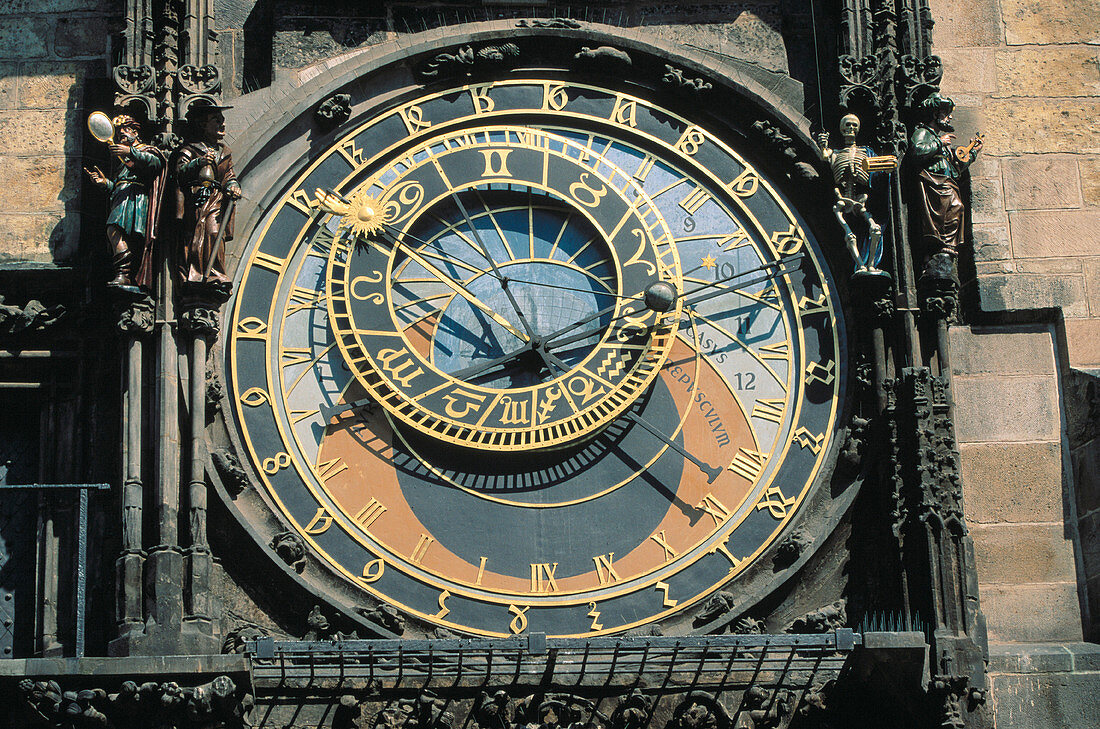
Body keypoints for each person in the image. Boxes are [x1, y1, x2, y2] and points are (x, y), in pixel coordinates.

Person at [84, 115, 166, 290]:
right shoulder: (120, 158)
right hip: (121, 195)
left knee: (118, 231)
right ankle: (124, 273)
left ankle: (125, 273)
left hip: (136, 197)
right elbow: (118, 182)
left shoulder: (146, 150)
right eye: (119, 135)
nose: (121, 136)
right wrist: (104, 183)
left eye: (124, 133)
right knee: (115, 232)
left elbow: (156, 163)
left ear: (135, 132)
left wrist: (130, 152)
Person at [172, 102, 242, 298]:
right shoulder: (190, 149)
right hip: (197, 198)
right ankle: (196, 273)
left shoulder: (224, 152)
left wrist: (233, 186)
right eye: (216, 121)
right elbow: (179, 172)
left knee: (213, 232)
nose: (222, 124)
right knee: (199, 234)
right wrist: (198, 163)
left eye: (222, 121)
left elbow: (229, 175)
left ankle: (215, 273)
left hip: (216, 199)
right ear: (203, 125)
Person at [816, 113, 896, 274]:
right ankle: (859, 265)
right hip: (842, 199)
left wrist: (886, 169)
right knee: (850, 234)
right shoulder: (835, 153)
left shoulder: (867, 152)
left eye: (854, 125)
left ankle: (871, 264)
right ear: (841, 129)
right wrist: (823, 144)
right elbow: (825, 156)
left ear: (858, 129)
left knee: (875, 229)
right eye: (847, 125)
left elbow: (878, 173)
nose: (850, 128)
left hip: (861, 199)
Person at [907, 92, 981, 260]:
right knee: (953, 207)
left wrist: (973, 153)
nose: (950, 117)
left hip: (946, 181)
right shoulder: (923, 133)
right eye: (946, 114)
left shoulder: (942, 141)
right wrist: (940, 142)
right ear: (935, 114)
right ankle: (938, 247)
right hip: (932, 183)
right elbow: (917, 151)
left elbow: (955, 169)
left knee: (957, 207)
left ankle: (947, 245)